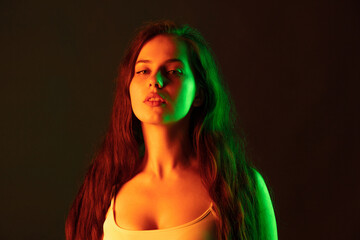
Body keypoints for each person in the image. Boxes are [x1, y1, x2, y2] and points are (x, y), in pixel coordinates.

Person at [65, 20, 277, 240]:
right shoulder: (101, 190)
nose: (155, 81)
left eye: (174, 71)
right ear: (128, 88)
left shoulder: (241, 186)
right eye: (143, 71)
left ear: (199, 93)